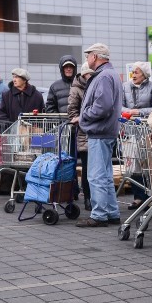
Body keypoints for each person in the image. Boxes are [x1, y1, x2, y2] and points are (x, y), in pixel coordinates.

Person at [77, 42, 123, 227]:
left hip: (99, 131)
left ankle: (99, 215)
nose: (87, 59)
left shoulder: (103, 76)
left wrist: (84, 116)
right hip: (107, 130)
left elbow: (102, 107)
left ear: (95, 56)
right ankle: (111, 213)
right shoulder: (110, 74)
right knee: (104, 175)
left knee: (95, 176)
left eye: (88, 55)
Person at [122, 61, 152, 210]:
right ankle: (138, 197)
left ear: (144, 75)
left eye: (137, 72)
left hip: (147, 132)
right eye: (133, 72)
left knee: (148, 165)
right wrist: (128, 111)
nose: (133, 75)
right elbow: (118, 105)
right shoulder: (124, 87)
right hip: (129, 131)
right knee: (133, 165)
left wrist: (138, 112)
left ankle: (151, 196)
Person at [68, 62, 95, 210]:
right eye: (88, 74)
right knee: (86, 167)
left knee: (96, 168)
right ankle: (88, 198)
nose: (90, 76)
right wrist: (83, 120)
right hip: (84, 132)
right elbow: (72, 110)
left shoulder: (96, 85)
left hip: (96, 131)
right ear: (83, 74)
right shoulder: (76, 88)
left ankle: (96, 197)